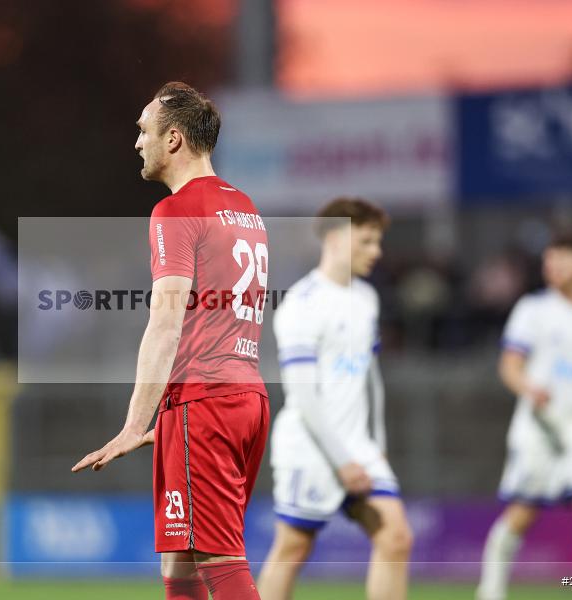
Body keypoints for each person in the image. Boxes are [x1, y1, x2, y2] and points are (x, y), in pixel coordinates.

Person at [72, 81, 270, 600]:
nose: (137, 142)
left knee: (220, 561)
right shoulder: (244, 207)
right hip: (244, 396)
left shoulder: (176, 211)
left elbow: (166, 322)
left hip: (205, 403)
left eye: (143, 131)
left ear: (174, 139)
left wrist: (133, 425)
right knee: (180, 563)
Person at [258, 198, 413, 600]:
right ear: (334, 237)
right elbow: (303, 395)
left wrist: (375, 447)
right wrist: (342, 461)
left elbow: (370, 379)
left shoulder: (367, 299)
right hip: (310, 449)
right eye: (366, 241)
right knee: (293, 548)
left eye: (378, 242)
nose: (375, 252)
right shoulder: (302, 303)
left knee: (395, 538)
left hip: (359, 449)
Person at [477, 234, 572, 600]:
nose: (552, 267)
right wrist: (528, 387)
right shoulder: (532, 309)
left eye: (562, 260)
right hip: (539, 425)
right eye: (548, 261)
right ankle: (491, 590)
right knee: (522, 513)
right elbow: (509, 365)